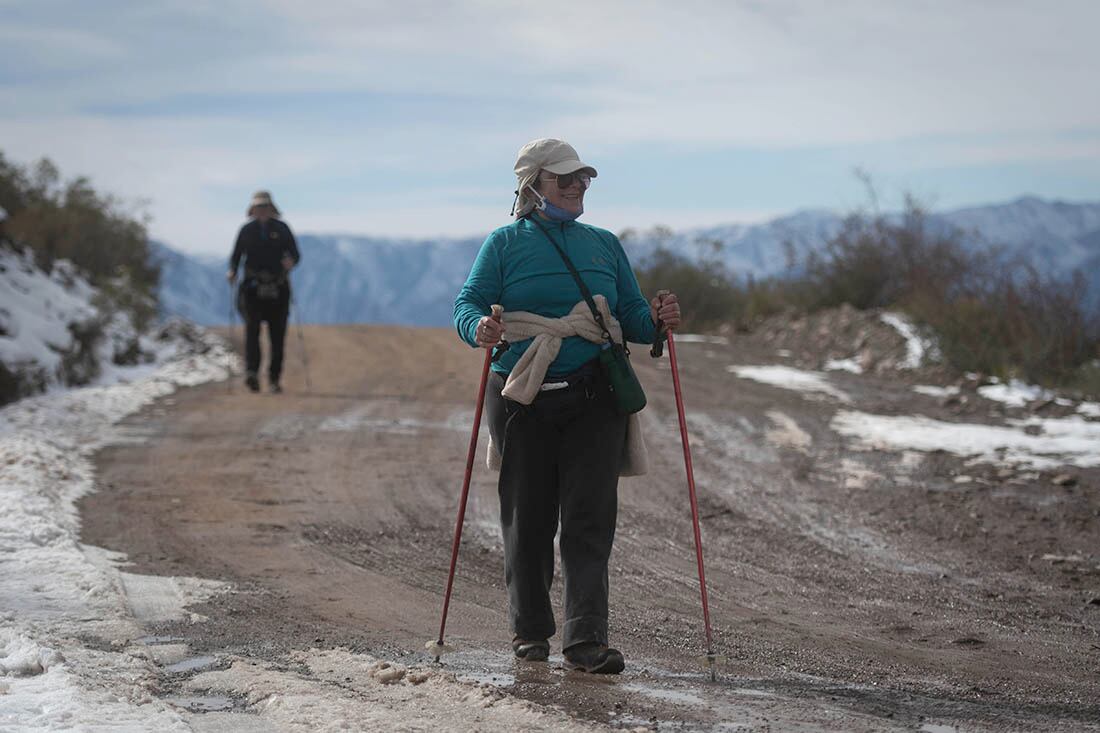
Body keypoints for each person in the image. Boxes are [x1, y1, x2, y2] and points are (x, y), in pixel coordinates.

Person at [453, 138, 681, 674]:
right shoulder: (504, 243)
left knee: (588, 520)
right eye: (565, 178)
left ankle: (585, 643)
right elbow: (466, 303)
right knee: (527, 519)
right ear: (533, 186)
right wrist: (479, 328)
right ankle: (529, 633)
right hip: (521, 396)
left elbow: (632, 318)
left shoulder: (604, 244)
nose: (578, 185)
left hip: (596, 393)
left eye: (582, 177)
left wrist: (658, 318)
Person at [227, 190, 300, 393]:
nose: (262, 211)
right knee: (252, 333)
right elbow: (236, 256)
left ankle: (274, 379)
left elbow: (295, 254)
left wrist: (290, 262)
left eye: (265, 207)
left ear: (271, 209)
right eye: (259, 207)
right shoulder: (246, 231)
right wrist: (232, 271)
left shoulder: (283, 229)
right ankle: (252, 373)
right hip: (252, 289)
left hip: (278, 288)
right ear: (253, 210)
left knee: (277, 337)